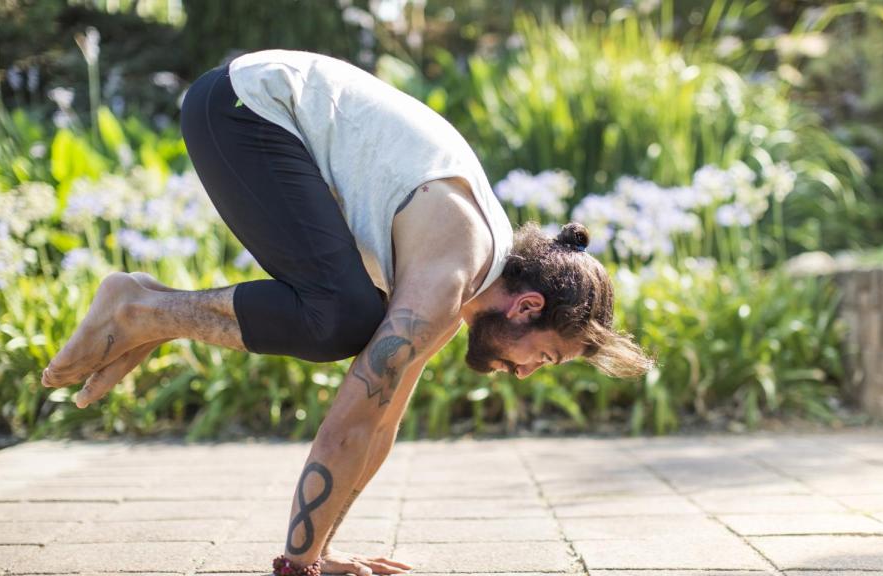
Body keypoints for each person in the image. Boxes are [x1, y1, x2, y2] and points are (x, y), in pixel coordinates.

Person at [41, 49, 653, 576]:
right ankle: (141, 308)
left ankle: (147, 311)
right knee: (339, 318)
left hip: (257, 109)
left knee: (351, 317)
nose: (524, 372)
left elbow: (380, 426)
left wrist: (324, 548)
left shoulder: (457, 280)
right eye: (541, 355)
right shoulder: (450, 277)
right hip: (243, 107)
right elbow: (347, 425)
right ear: (526, 307)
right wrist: (296, 565)